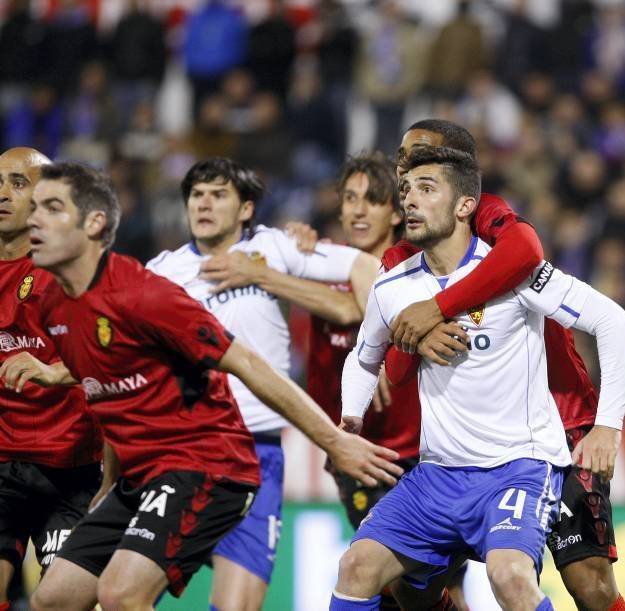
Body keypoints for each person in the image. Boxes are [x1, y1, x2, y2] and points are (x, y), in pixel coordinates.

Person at [0, 162, 403, 611]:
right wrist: (109, 479)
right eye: (34, 208)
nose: (33, 218)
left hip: (209, 461)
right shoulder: (60, 303)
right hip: (142, 471)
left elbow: (250, 363)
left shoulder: (149, 292)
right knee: (52, 599)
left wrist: (336, 440)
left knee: (123, 593)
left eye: (51, 208)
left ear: (94, 223)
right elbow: (113, 391)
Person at [330, 146, 625, 610]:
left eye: (426, 189)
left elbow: (613, 322)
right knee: (357, 568)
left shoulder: (514, 275)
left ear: (465, 205)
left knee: (509, 577)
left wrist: (608, 426)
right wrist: (349, 419)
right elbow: (363, 357)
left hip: (519, 468)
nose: (409, 200)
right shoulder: (392, 286)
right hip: (436, 474)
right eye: (407, 189)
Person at [145, 156, 382, 611]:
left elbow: (364, 269)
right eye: (197, 195)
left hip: (257, 454)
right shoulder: (162, 273)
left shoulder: (275, 248)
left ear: (246, 209)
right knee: (126, 593)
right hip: (185, 449)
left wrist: (379, 350)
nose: (204, 204)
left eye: (219, 195)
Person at [0, 148, 103, 611]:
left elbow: (111, 356)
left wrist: (52, 371)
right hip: (4, 462)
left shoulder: (68, 269)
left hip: (71, 467)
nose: (2, 194)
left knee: (60, 603)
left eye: (18, 183)